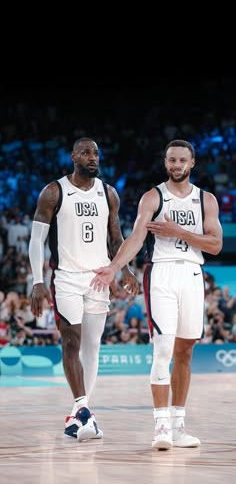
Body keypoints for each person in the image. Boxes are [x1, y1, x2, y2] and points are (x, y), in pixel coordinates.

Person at [90, 139, 223, 450]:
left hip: (192, 273)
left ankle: (178, 425)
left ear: (192, 164)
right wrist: (114, 267)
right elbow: (137, 237)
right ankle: (161, 424)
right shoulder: (153, 197)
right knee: (163, 348)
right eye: (171, 160)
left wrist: (181, 233)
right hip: (161, 273)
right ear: (166, 163)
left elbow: (215, 245)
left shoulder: (207, 200)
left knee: (185, 353)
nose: (176, 165)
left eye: (182, 160)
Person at [29, 137, 138, 442]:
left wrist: (125, 268)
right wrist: (38, 281)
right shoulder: (54, 192)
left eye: (97, 154)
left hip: (99, 278)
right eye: (87, 153)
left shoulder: (109, 193)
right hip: (65, 277)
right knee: (71, 341)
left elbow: (116, 237)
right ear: (74, 156)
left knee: (92, 347)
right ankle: (83, 409)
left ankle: (79, 413)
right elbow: (37, 240)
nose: (94, 158)